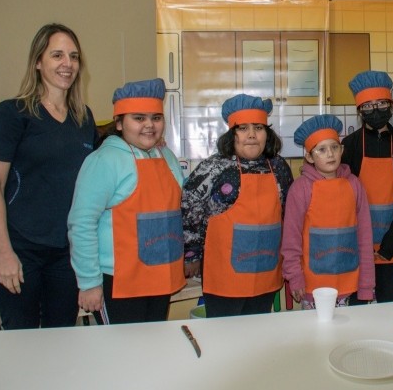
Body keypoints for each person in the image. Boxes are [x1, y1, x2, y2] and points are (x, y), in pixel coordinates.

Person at [0, 23, 97, 329]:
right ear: (38, 61)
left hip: (64, 252)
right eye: (57, 55)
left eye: (73, 57)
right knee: (22, 343)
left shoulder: (83, 118)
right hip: (20, 249)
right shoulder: (12, 114)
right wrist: (3, 253)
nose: (67, 64)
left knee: (60, 337)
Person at [68, 78, 185, 324]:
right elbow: (82, 223)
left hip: (160, 276)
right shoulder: (105, 160)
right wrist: (89, 283)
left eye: (156, 117)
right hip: (119, 283)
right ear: (119, 123)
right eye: (139, 118)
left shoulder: (168, 157)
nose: (149, 126)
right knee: (123, 354)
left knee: (151, 346)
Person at [182, 94, 293, 318]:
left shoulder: (279, 167)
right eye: (243, 128)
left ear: (267, 133)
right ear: (232, 133)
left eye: (259, 128)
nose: (251, 135)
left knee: (256, 340)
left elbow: (289, 215)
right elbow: (188, 210)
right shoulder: (213, 168)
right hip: (224, 277)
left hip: (265, 270)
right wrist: (191, 255)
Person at [281, 115, 375, 309]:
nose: (330, 154)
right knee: (317, 337)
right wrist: (295, 277)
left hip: (349, 285)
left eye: (334, 147)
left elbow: (364, 238)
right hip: (313, 287)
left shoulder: (354, 185)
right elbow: (291, 239)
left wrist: (366, 284)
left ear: (341, 150)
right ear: (309, 156)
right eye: (322, 150)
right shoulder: (300, 189)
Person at [341, 70, 393, 303]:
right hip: (355, 243)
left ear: (390, 105)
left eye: (381, 103)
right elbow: (342, 199)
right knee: (356, 304)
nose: (375, 110)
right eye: (368, 106)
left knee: (386, 303)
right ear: (360, 110)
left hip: (389, 244)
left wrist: (388, 247)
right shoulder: (350, 145)